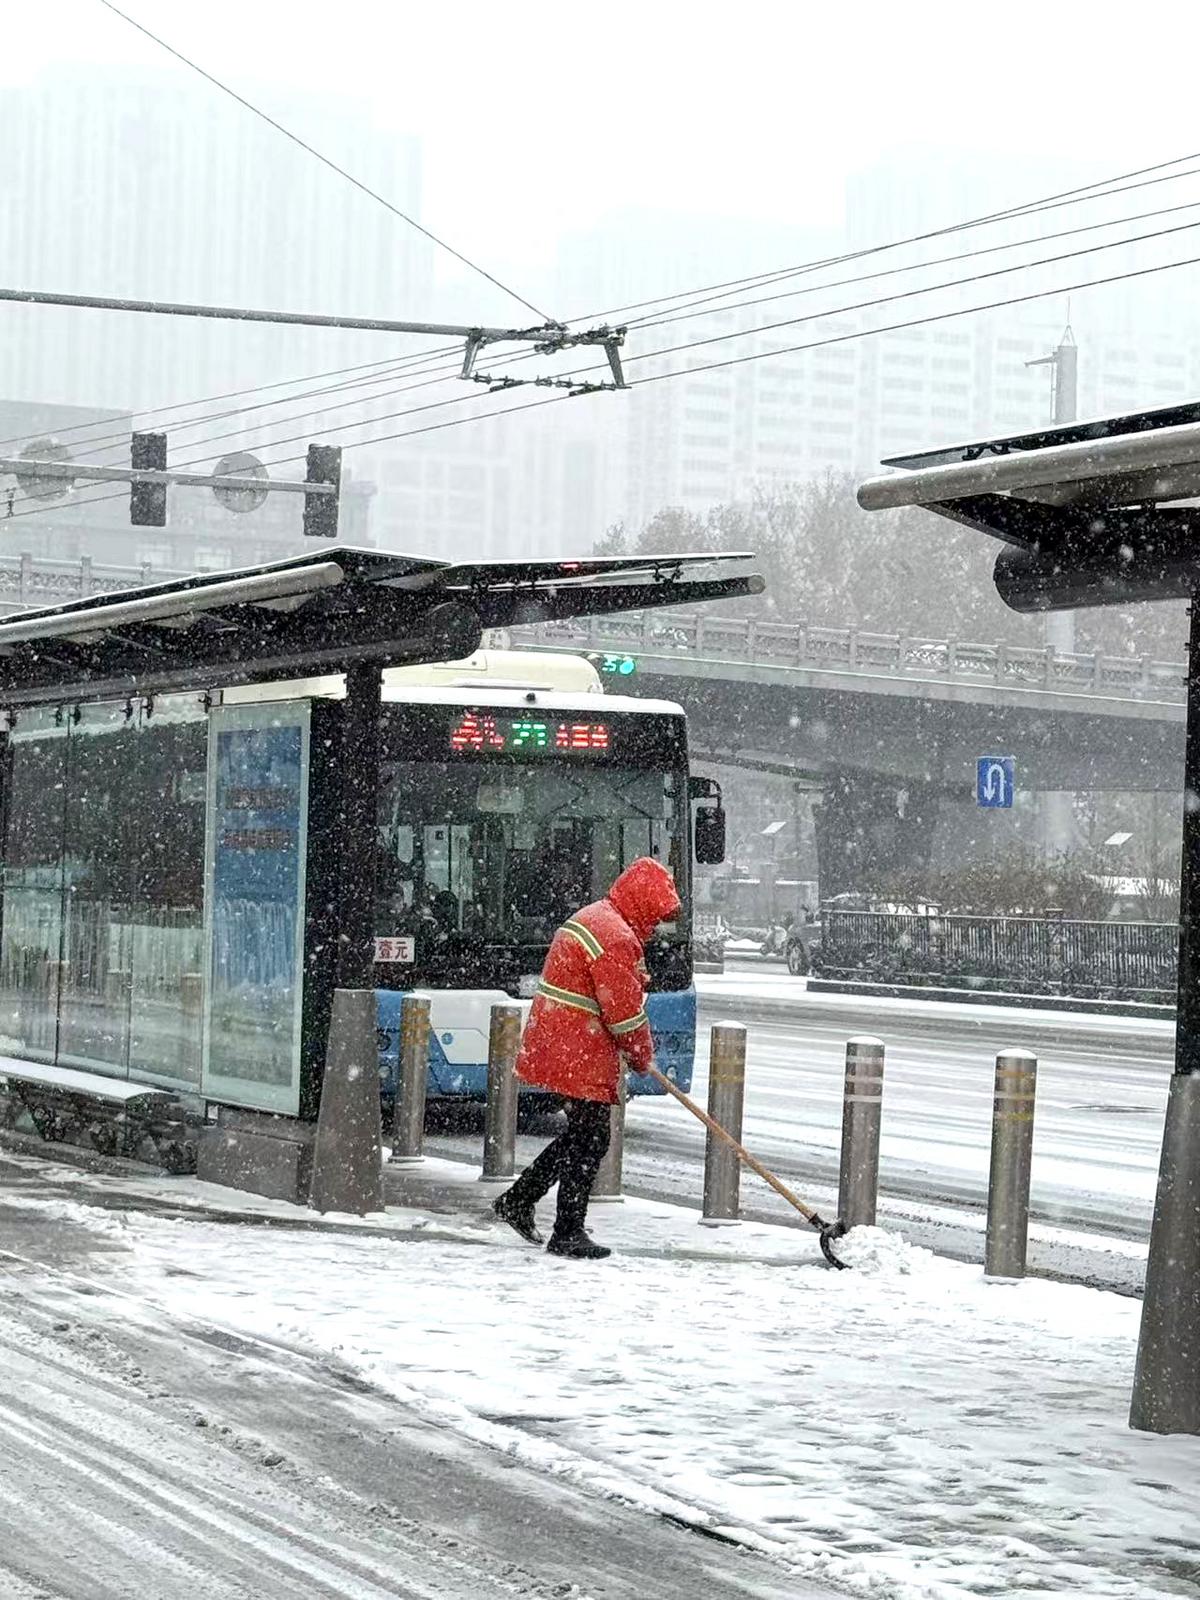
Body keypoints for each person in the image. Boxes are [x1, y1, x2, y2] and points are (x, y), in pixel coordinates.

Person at [493, 855, 681, 1260]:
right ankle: (565, 1230)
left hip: (564, 1042)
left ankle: (520, 1200)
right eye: (655, 917)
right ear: (643, 904)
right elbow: (624, 1013)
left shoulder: (599, 918)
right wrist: (641, 1054)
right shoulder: (616, 937)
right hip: (577, 1048)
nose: (655, 928)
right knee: (591, 1138)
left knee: (584, 1137)